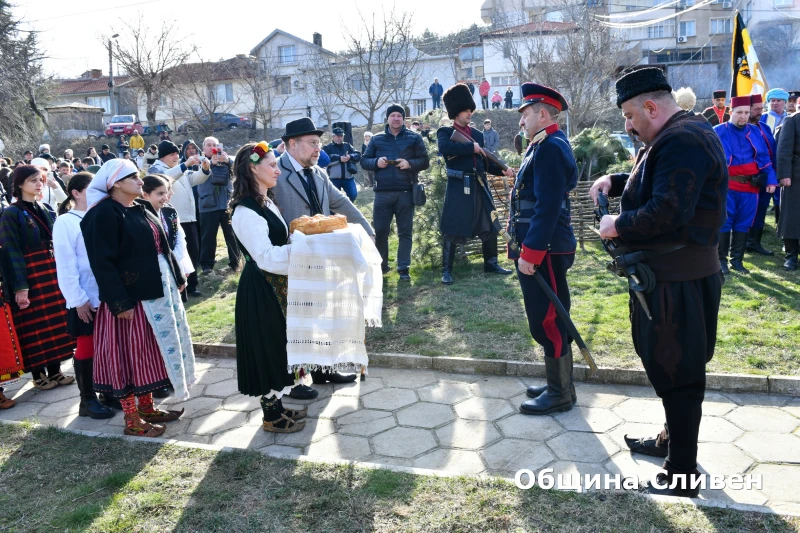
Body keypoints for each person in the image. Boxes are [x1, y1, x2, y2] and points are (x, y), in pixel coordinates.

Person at [590, 67, 727, 498]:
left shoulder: (682, 138)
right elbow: (659, 181)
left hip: (677, 283)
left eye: (631, 116)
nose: (628, 127)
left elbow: (668, 210)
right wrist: (615, 182)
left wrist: (616, 224)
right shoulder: (677, 133)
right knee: (674, 368)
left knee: (680, 375)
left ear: (652, 106)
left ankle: (682, 471)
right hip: (674, 279)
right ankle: (672, 442)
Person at [81, 159, 194, 438]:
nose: (140, 181)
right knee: (130, 355)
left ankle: (147, 407)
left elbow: (164, 246)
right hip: (130, 297)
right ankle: (131, 418)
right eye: (133, 176)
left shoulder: (142, 208)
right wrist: (119, 302)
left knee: (150, 351)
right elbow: (102, 263)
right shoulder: (104, 214)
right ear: (116, 183)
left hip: (157, 291)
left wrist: (178, 278)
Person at [272, 117, 374, 397]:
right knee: (293, 320)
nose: (319, 148)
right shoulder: (274, 172)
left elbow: (339, 202)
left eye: (319, 142)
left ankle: (321, 370)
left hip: (321, 257)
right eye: (313, 143)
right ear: (292, 144)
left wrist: (366, 229)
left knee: (319, 316)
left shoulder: (318, 172)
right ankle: (291, 382)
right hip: (290, 258)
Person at [509, 83, 578, 415]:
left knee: (547, 319)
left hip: (546, 248)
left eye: (525, 114)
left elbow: (548, 205)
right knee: (550, 317)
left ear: (542, 113)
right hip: (543, 245)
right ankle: (560, 383)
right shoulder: (543, 145)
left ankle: (559, 393)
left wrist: (532, 253)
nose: (522, 122)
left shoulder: (549, 146)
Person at [230, 141, 307, 433]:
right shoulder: (245, 211)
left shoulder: (266, 201)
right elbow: (265, 257)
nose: (277, 169)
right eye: (272, 165)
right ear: (252, 168)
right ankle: (271, 417)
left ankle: (278, 406)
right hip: (262, 287)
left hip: (278, 284)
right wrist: (302, 247)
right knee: (267, 345)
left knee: (278, 345)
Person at [0, 165, 76, 390]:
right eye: (33, 180)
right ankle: (38, 374)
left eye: (40, 179)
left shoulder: (43, 207)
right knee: (33, 325)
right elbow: (10, 250)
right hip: (30, 274)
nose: (39, 183)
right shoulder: (10, 213)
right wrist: (20, 285)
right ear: (20, 184)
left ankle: (56, 371)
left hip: (50, 273)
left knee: (55, 321)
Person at [437, 83, 515, 285]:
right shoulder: (445, 132)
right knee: (452, 227)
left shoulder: (478, 135)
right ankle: (446, 270)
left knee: (490, 223)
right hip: (458, 185)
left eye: (470, 109)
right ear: (456, 112)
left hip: (479, 183)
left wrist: (503, 171)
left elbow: (486, 163)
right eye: (465, 110)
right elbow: (445, 149)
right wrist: (471, 148)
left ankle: (491, 264)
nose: (469, 113)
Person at [52, 172, 114, 419]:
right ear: (75, 193)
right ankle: (87, 400)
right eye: (91, 189)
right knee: (87, 344)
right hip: (85, 295)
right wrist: (78, 300)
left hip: (107, 292)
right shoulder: (66, 222)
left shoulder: (101, 215)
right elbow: (65, 264)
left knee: (108, 344)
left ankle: (108, 391)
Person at [361, 104, 430, 280]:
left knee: (405, 231)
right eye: (393, 115)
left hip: (406, 191)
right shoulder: (377, 139)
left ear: (404, 119)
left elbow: (424, 160)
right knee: (381, 230)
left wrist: (410, 164)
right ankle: (381, 265)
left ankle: (403, 268)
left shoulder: (414, 138)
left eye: (399, 115)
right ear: (388, 118)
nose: (396, 118)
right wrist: (376, 162)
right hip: (382, 193)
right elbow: (364, 161)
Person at [714, 96, 777, 275]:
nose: (743, 116)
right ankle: (721, 261)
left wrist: (771, 179)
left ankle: (737, 261)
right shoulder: (718, 131)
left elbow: (765, 158)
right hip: (728, 187)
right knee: (725, 222)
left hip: (751, 187)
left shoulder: (755, 131)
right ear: (730, 112)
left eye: (746, 113)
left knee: (743, 224)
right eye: (739, 112)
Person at [141, 175, 195, 301]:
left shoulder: (169, 211)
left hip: (175, 262)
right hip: (157, 270)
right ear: (145, 195)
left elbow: (179, 237)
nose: (165, 198)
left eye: (166, 193)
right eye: (160, 194)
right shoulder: (140, 216)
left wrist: (176, 262)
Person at [169, 140, 210, 297]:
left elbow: (196, 179)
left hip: (190, 218)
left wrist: (205, 168)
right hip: (174, 220)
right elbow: (166, 178)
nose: (175, 157)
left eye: (175, 154)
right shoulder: (160, 169)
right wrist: (185, 165)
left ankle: (192, 286)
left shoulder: (182, 170)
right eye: (172, 154)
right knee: (178, 255)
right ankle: (180, 286)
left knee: (193, 253)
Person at [197, 137, 240, 275]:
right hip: (208, 203)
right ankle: (207, 265)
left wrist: (228, 162)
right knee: (208, 236)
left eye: (214, 145)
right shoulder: (199, 161)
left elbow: (238, 171)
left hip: (226, 202)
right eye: (208, 145)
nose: (212, 147)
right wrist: (210, 164)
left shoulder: (226, 160)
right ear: (203, 148)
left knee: (232, 235)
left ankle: (235, 262)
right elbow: (198, 174)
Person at [746, 94, 778, 257]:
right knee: (745, 211)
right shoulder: (741, 129)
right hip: (748, 179)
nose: (760, 112)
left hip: (766, 176)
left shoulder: (764, 127)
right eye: (756, 109)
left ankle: (754, 242)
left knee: (761, 210)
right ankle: (740, 243)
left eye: (761, 108)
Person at [777, 110, 800, 270]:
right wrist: (785, 174)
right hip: (795, 176)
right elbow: (784, 149)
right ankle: (791, 256)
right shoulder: (792, 120)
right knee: (792, 216)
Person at [322, 127, 361, 202]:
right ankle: (334, 213)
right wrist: (339, 159)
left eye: (341, 136)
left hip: (348, 178)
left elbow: (358, 155)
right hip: (333, 179)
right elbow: (324, 160)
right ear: (333, 136)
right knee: (333, 199)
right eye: (338, 136)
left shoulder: (348, 146)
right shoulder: (327, 147)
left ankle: (346, 209)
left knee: (353, 195)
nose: (340, 138)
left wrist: (350, 157)